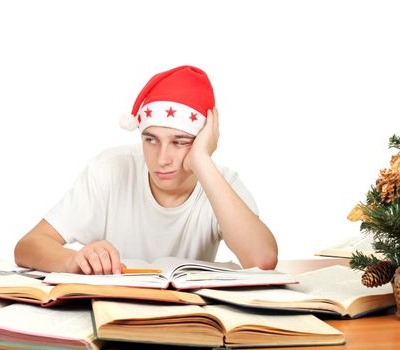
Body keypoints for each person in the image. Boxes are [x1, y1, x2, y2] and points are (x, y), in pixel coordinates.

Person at [14, 65, 278, 274]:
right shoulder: (111, 169)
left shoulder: (220, 183)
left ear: (202, 140)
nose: (161, 158)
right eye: (151, 140)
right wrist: (74, 261)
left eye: (180, 142)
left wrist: (203, 161)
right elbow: (28, 246)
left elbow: (262, 260)